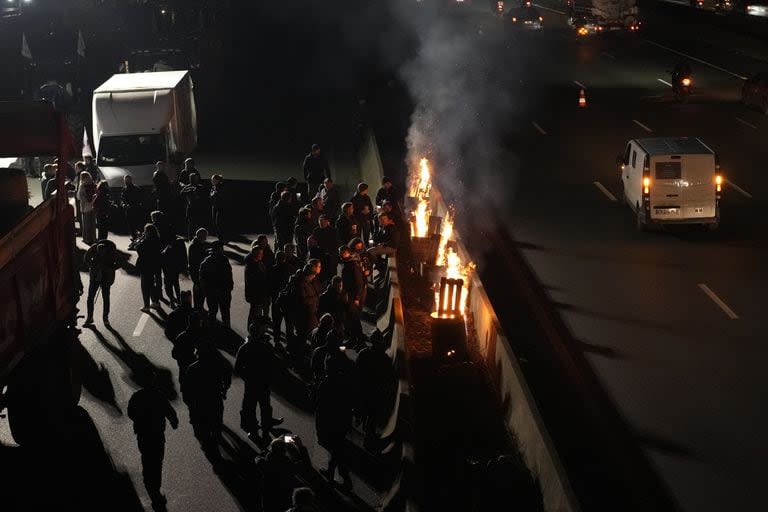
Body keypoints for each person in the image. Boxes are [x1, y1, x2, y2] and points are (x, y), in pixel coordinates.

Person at [127, 376, 179, 508]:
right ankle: (155, 485)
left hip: (143, 434)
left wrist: (140, 420)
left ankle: (149, 480)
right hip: (157, 434)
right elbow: (169, 411)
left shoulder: (136, 397)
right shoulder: (158, 396)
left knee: (147, 456)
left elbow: (130, 413)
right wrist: (174, 421)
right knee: (157, 460)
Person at [235, 317, 284, 439]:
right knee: (265, 404)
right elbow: (273, 364)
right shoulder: (265, 347)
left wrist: (246, 377)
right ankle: (266, 424)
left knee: (250, 406)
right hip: (263, 381)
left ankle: (252, 429)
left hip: (250, 382)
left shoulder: (244, 348)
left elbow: (237, 368)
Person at [315, 334, 354, 489]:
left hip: (330, 419)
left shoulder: (325, 384)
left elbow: (320, 403)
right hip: (342, 418)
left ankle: (343, 477)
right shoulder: (343, 378)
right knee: (338, 448)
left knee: (336, 449)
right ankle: (333, 472)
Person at [182, 342, 231, 460]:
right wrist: (224, 390)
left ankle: (208, 446)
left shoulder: (192, 368)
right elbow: (227, 377)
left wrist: (189, 402)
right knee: (217, 422)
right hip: (215, 399)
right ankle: (216, 441)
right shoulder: (217, 366)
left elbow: (187, 388)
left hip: (200, 402)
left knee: (203, 424)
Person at [355, 332, 397, 450]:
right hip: (376, 392)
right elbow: (389, 376)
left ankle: (364, 425)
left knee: (366, 412)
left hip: (364, 389)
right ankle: (368, 439)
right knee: (372, 416)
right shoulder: (384, 359)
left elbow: (357, 370)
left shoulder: (363, 354)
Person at [83, 239, 119, 326]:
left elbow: (120, 262)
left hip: (106, 277)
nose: (101, 255)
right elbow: (86, 258)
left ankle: (105, 318)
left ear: (106, 251)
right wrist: (94, 266)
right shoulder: (93, 249)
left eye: (103, 254)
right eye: (99, 254)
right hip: (95, 276)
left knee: (106, 297)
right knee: (90, 297)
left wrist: (110, 268)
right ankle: (89, 317)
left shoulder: (112, 251)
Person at [199, 241, 234, 327]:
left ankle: (215, 329)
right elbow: (203, 279)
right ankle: (224, 328)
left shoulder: (208, 261)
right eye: (221, 248)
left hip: (217, 292)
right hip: (218, 292)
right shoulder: (221, 260)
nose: (222, 250)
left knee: (215, 311)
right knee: (221, 311)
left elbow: (229, 275)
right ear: (216, 250)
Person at [132, 223, 163, 311]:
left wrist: (139, 240)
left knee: (145, 286)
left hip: (145, 266)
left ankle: (146, 306)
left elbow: (138, 249)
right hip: (155, 265)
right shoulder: (157, 240)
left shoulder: (146, 241)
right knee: (152, 285)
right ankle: (155, 302)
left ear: (148, 232)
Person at [172, 312, 205, 386]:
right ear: (198, 323)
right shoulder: (200, 337)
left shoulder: (181, 337)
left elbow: (174, 354)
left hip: (184, 373)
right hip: (197, 374)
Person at [340, 246, 366, 338]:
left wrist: (357, 298)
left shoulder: (352, 266)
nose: (340, 255)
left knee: (353, 315)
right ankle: (354, 335)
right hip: (350, 294)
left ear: (347, 253)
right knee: (351, 315)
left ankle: (358, 336)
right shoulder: (349, 264)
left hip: (353, 294)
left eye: (342, 253)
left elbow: (359, 283)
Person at [269, 251, 293, 344]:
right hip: (288, 301)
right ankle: (290, 342)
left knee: (276, 323)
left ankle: (277, 341)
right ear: (285, 258)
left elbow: (269, 285)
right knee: (289, 324)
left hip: (276, 301)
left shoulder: (272, 270)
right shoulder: (290, 269)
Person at [245, 244, 270, 330]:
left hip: (259, 295)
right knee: (255, 314)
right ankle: (252, 331)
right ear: (256, 254)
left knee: (256, 314)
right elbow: (255, 282)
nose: (262, 255)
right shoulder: (252, 266)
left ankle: (255, 330)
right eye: (260, 253)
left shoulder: (258, 263)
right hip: (256, 295)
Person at [180, 173, 209, 241]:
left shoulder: (200, 187)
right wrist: (189, 191)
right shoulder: (187, 187)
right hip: (191, 207)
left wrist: (196, 194)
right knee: (191, 224)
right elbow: (181, 194)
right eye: (192, 178)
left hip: (199, 208)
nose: (194, 180)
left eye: (195, 178)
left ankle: (199, 238)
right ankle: (191, 238)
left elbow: (204, 197)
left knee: (198, 223)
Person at [296, 262, 321, 342]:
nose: (314, 277)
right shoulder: (301, 284)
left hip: (310, 313)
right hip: (306, 315)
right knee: (306, 334)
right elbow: (303, 300)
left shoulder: (308, 282)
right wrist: (315, 298)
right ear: (309, 275)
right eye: (313, 275)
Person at [312, 215, 340, 283]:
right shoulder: (316, 230)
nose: (321, 223)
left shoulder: (333, 231)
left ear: (327, 221)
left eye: (322, 221)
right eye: (320, 221)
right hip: (321, 255)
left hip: (331, 254)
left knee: (332, 271)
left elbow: (336, 243)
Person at [188, 228, 209, 311]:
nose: (206, 238)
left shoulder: (196, 243)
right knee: (199, 292)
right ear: (201, 236)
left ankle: (199, 307)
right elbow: (195, 262)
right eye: (205, 236)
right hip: (197, 273)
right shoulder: (195, 246)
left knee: (200, 292)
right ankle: (198, 308)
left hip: (197, 272)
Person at [161, 238, 183, 307]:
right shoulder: (176, 250)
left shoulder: (164, 252)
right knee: (176, 286)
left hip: (167, 273)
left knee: (169, 288)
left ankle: (172, 301)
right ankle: (179, 301)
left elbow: (162, 264)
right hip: (175, 271)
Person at [122, 175, 145, 239]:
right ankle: (134, 236)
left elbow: (140, 198)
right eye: (125, 180)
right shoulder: (124, 189)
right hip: (128, 209)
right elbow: (123, 199)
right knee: (130, 224)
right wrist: (124, 204)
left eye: (127, 180)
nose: (126, 181)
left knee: (137, 223)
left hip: (135, 209)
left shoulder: (136, 188)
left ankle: (138, 236)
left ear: (130, 180)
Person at [77, 170, 97, 244]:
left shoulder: (82, 185)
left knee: (86, 223)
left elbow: (79, 196)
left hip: (85, 206)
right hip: (93, 204)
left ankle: (86, 238)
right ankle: (93, 237)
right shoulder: (93, 184)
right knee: (93, 223)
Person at [210, 174, 227, 243]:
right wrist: (213, 193)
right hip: (214, 206)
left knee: (219, 223)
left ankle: (222, 238)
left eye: (213, 179)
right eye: (212, 179)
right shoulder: (213, 187)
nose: (212, 181)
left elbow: (223, 196)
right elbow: (211, 195)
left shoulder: (222, 187)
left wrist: (215, 193)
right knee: (214, 223)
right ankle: (220, 238)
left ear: (218, 180)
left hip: (221, 207)